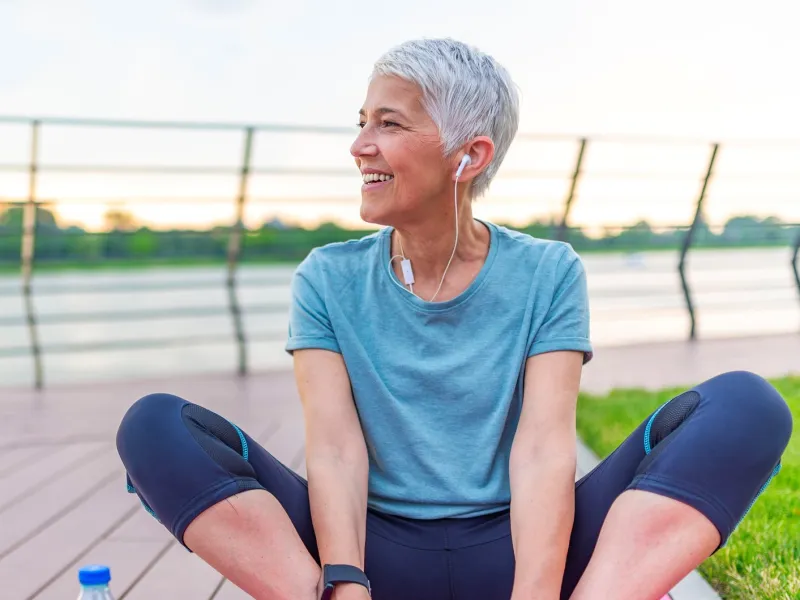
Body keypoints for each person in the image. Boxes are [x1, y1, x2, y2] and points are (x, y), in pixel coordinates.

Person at [116, 38, 793, 600]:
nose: (359, 146)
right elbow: (335, 448)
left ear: (469, 156)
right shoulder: (325, 277)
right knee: (154, 428)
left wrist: (535, 592)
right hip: (373, 558)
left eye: (389, 124)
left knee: (748, 407)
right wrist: (345, 582)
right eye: (362, 122)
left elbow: (542, 449)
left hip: (523, 550)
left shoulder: (548, 271)